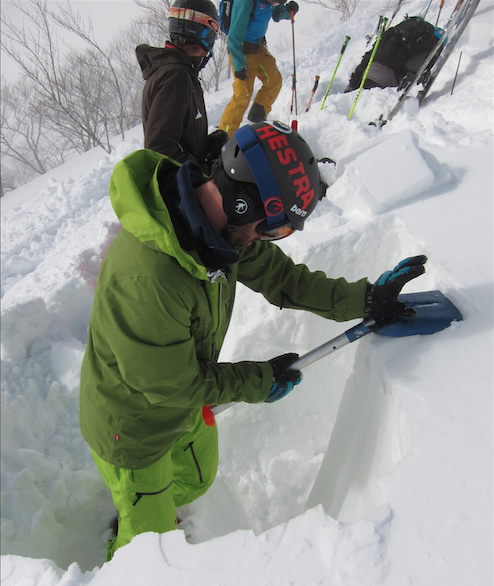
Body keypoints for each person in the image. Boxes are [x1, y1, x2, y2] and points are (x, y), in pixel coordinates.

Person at [79, 120, 427, 561]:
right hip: (133, 425)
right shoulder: (150, 279)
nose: (269, 238)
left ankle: (151, 504)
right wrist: (258, 381)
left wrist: (366, 298)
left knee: (197, 479)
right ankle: (130, 532)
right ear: (244, 204)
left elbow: (285, 279)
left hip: (178, 400)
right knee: (151, 548)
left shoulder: (219, 229)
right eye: (274, 228)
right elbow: (169, 385)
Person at [136, 0, 227, 172]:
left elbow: (179, 138)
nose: (209, 50)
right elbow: (160, 147)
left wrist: (207, 146)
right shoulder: (175, 75)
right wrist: (201, 172)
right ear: (202, 33)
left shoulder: (181, 71)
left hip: (188, 185)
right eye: (211, 35)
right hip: (182, 191)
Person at [219, 0, 299, 137]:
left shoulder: (268, 2)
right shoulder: (246, 2)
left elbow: (276, 14)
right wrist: (239, 66)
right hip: (241, 52)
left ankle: (257, 115)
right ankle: (223, 137)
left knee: (274, 80)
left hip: (258, 48)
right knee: (242, 96)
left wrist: (288, 10)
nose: (276, 3)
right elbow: (233, 37)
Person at [345, 16, 443, 92]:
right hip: (386, 81)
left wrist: (352, 84)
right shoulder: (426, 44)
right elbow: (413, 68)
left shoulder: (395, 35)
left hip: (366, 74)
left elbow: (368, 56)